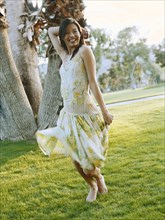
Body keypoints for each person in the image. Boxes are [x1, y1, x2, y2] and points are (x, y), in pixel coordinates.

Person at [36, 18, 113, 202]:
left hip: (85, 115)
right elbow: (50, 31)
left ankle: (98, 176)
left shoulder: (85, 51)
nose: (72, 36)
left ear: (80, 33)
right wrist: (73, 27)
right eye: (67, 33)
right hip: (69, 116)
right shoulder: (64, 56)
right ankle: (92, 185)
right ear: (62, 38)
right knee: (75, 159)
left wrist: (105, 111)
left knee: (88, 165)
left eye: (75, 31)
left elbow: (93, 83)